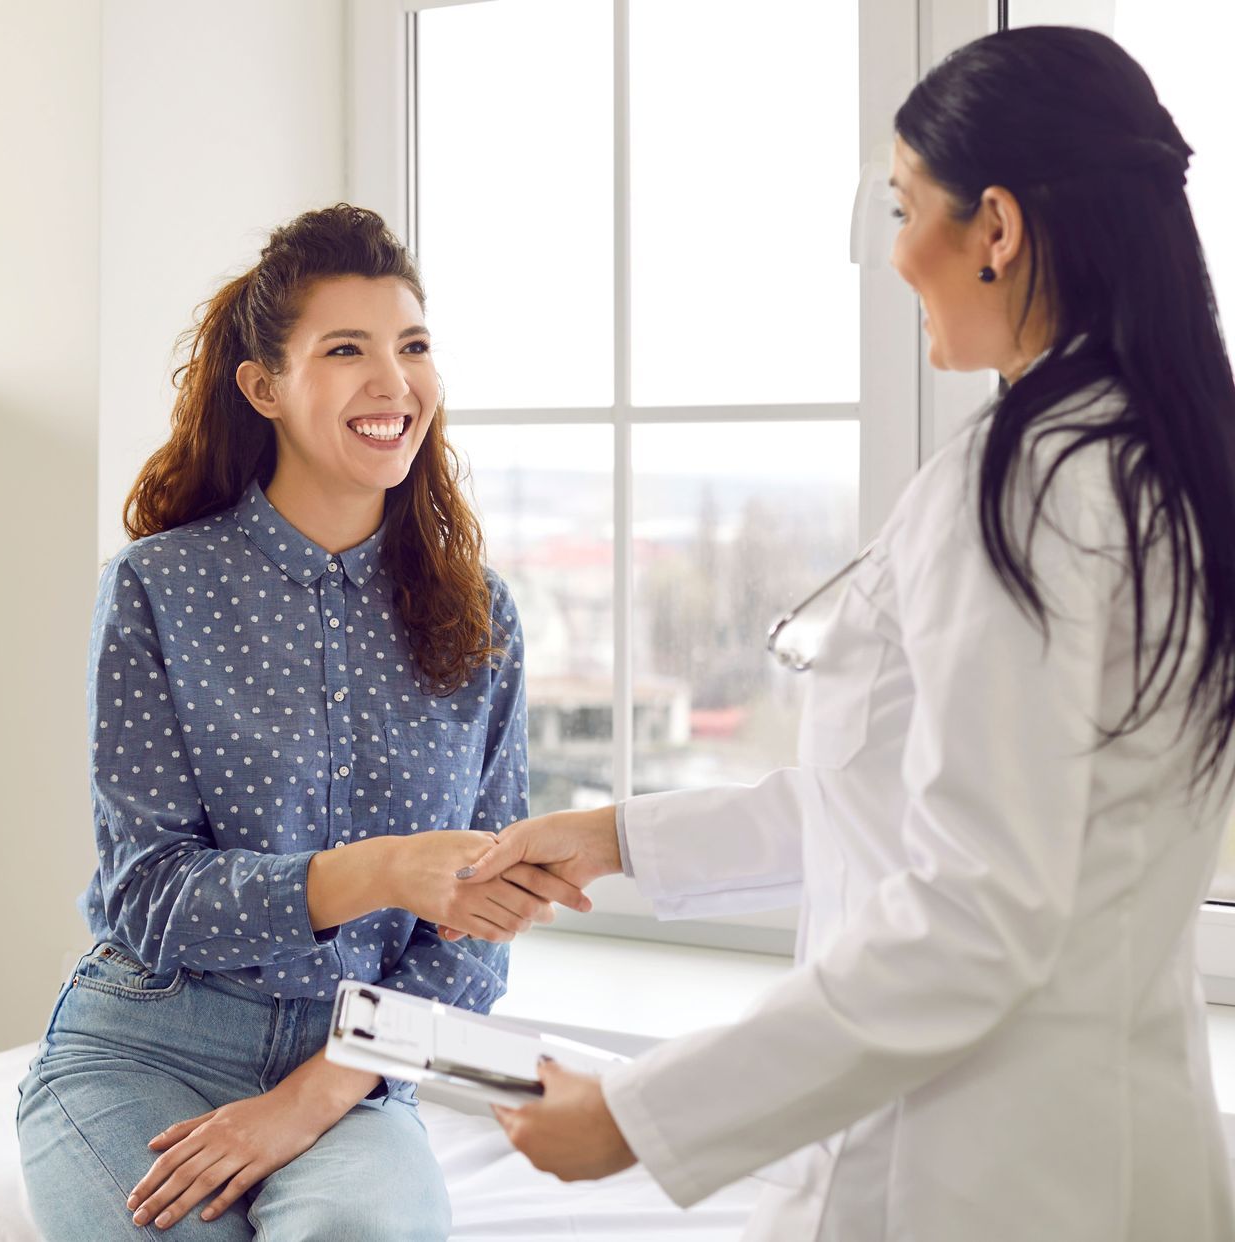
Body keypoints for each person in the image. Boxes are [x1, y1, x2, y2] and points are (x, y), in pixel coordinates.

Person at [458, 26, 1235, 1240]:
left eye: (902, 207)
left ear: (997, 229)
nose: (893, 254)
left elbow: (975, 911)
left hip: (979, 1168)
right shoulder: (1170, 460)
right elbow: (891, 802)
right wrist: (618, 837)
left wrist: (640, 1115)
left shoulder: (1022, 483)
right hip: (1128, 1136)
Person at [15, 203, 588, 1239]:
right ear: (264, 386)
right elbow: (146, 892)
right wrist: (383, 870)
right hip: (149, 1041)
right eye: (347, 350)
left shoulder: (480, 613)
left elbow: (473, 947)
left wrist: (308, 1101)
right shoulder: (160, 587)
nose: (394, 382)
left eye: (412, 347)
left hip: (359, 1069)